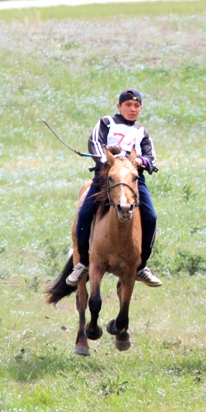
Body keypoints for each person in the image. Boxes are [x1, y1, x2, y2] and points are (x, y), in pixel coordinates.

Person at [66, 89, 162, 287]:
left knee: (151, 217)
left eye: (136, 106)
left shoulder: (142, 132)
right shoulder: (106, 123)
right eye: (128, 105)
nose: (132, 109)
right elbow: (94, 142)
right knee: (84, 213)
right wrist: (110, 160)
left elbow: (152, 159)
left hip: (133, 180)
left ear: (140, 108)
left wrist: (138, 161)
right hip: (106, 177)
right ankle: (83, 262)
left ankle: (141, 266)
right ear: (119, 106)